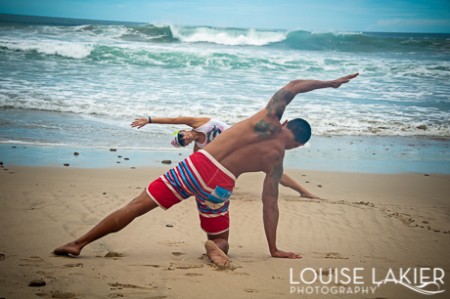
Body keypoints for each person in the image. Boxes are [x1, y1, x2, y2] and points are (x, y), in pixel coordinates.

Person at [53, 73, 359, 267]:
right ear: (297, 144)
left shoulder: (267, 119)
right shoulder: (276, 161)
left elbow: (292, 87)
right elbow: (270, 205)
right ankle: (214, 248)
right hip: (221, 186)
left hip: (197, 166)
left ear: (288, 124)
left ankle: (78, 243)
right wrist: (274, 248)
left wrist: (329, 83)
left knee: (135, 206)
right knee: (221, 238)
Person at [131, 116, 320, 199]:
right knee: (270, 169)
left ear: (182, 131)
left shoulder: (200, 123)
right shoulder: (199, 150)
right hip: (238, 154)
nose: (184, 138)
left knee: (272, 169)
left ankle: (303, 191)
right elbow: (199, 170)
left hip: (245, 137)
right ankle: (303, 192)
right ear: (185, 145)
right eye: (182, 142)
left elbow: (173, 119)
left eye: (181, 135)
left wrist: (149, 120)